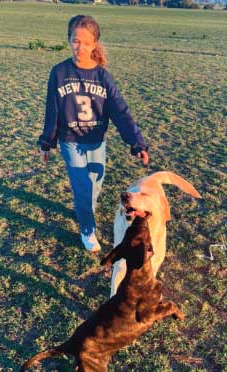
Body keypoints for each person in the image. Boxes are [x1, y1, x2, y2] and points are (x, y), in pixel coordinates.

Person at [37, 15, 149, 252]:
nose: (80, 47)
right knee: (83, 189)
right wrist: (47, 142)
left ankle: (84, 207)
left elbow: (120, 111)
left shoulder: (102, 77)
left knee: (95, 187)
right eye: (75, 41)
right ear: (68, 40)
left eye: (86, 43)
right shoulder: (58, 72)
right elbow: (52, 110)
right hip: (70, 141)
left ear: (95, 44)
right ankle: (87, 230)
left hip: (97, 142)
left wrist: (136, 143)